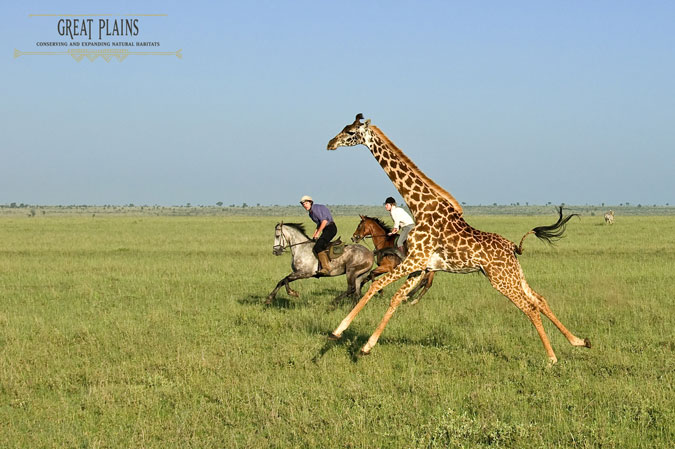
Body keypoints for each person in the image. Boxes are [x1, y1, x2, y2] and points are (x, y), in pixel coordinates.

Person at [300, 195, 337, 275]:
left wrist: (318, 233)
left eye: (306, 203)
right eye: (303, 204)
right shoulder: (311, 213)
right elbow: (319, 224)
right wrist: (314, 234)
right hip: (325, 229)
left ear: (310, 203)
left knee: (318, 246)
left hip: (330, 228)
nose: (305, 205)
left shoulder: (315, 209)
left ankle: (326, 268)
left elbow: (324, 221)